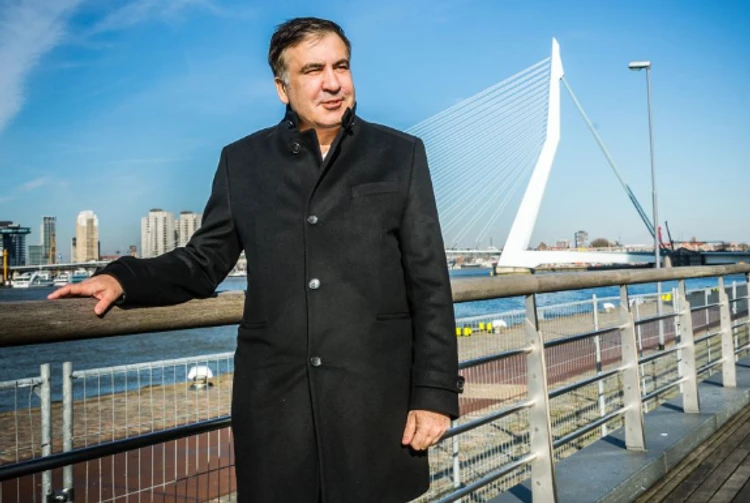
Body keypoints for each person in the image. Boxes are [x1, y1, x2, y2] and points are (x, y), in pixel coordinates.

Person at [49, 17, 462, 503]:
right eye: (313, 70)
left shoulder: (400, 154)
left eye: (341, 66)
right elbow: (203, 260)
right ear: (282, 88)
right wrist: (123, 278)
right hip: (276, 405)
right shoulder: (242, 162)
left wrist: (435, 395)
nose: (333, 83)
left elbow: (429, 284)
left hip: (374, 400)